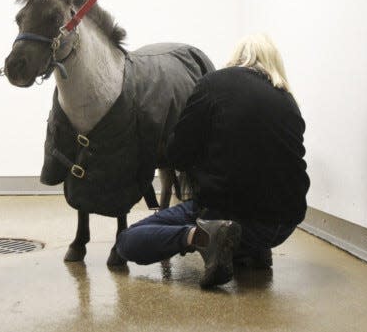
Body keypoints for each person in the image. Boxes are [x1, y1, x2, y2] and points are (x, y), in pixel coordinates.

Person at [115, 33, 309, 288]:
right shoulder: (288, 99)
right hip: (282, 224)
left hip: (226, 212)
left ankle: (200, 236)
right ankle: (251, 249)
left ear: (237, 56)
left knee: (128, 241)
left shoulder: (214, 84)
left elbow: (178, 155)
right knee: (246, 213)